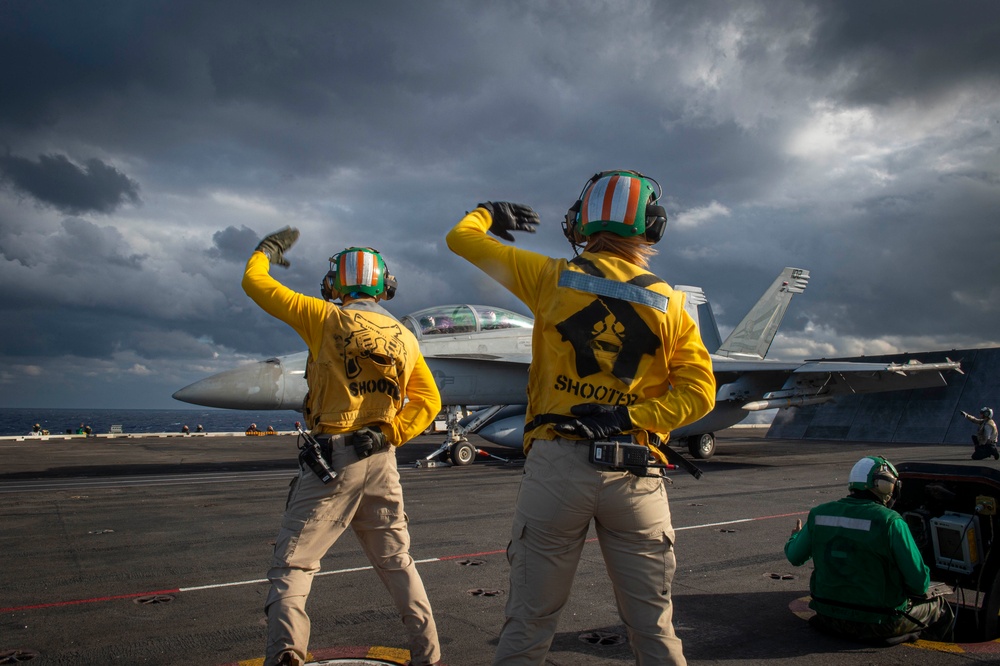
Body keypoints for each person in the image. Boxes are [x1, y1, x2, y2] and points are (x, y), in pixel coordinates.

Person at [446, 170, 717, 665]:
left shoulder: (550, 277)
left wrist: (489, 212)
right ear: (652, 229)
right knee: (654, 626)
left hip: (557, 471)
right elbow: (700, 395)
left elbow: (460, 239)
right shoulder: (673, 304)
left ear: (580, 224)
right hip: (635, 473)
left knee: (529, 623)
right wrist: (626, 415)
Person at [243, 227, 443, 666]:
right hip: (382, 460)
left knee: (292, 567)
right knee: (397, 562)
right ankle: (429, 655)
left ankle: (286, 653)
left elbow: (255, 284)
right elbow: (430, 400)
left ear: (334, 286)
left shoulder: (323, 317)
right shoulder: (406, 337)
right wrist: (391, 434)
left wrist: (264, 252)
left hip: (334, 461)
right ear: (384, 286)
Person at [785, 455, 954, 643]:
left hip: (827, 616)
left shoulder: (819, 514)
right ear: (885, 486)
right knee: (940, 606)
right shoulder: (890, 521)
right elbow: (919, 584)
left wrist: (795, 535)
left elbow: (794, 556)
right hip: (879, 623)